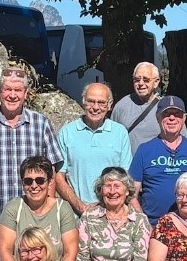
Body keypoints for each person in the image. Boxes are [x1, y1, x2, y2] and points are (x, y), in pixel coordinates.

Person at [0, 68, 61, 211]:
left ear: (25, 93)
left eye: (18, 90)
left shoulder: (41, 123)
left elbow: (51, 171)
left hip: (33, 215)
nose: (12, 95)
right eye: (7, 89)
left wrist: (47, 211)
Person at [0, 155, 80, 261]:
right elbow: (4, 251)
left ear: (50, 182)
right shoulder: (14, 208)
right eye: (28, 181)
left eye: (40, 180)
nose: (34, 186)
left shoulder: (63, 209)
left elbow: (70, 252)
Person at [129, 96, 187, 221]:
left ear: (184, 118)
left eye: (177, 114)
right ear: (158, 118)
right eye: (166, 114)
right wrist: (144, 225)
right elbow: (131, 195)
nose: (172, 118)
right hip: (154, 224)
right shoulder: (144, 150)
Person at [56, 81, 132, 214]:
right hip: (76, 213)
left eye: (101, 103)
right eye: (91, 101)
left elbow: (125, 176)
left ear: (110, 105)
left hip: (111, 212)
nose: (95, 107)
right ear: (83, 102)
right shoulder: (67, 132)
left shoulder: (120, 133)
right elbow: (58, 176)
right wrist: (80, 206)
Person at [111, 62, 164, 153]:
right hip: (130, 161)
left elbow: (180, 141)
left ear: (156, 82)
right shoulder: (122, 106)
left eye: (146, 80)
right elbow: (112, 138)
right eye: (137, 80)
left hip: (158, 161)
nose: (140, 83)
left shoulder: (165, 107)